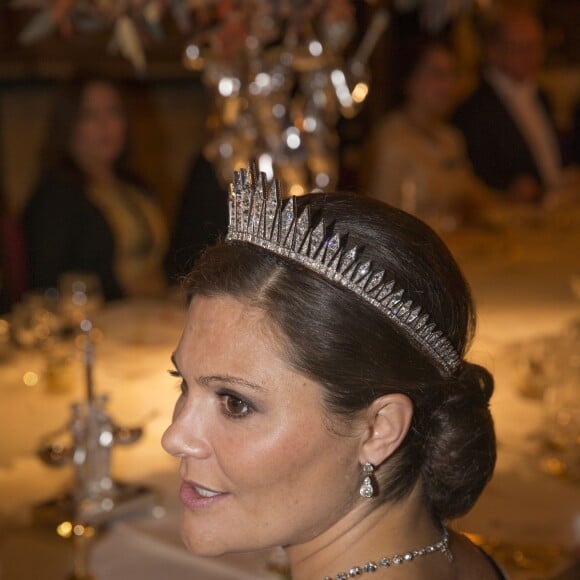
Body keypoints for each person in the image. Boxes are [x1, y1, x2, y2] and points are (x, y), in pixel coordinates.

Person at [162, 165, 504, 580]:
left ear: (378, 429)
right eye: (183, 383)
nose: (175, 437)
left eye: (235, 404)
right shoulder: (444, 552)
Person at [22, 73, 167, 301]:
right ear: (68, 124)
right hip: (99, 326)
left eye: (113, 112)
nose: (105, 125)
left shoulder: (136, 186)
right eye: (89, 115)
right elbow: (46, 286)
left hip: (157, 316)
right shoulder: (55, 197)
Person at [366, 39, 494, 228]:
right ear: (410, 80)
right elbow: (384, 224)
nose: (449, 86)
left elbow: (473, 195)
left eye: (453, 75)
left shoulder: (450, 138)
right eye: (437, 75)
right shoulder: (391, 141)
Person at [453, 9, 562, 203]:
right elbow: (472, 175)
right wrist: (509, 188)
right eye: (522, 48)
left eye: (537, 46)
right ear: (493, 51)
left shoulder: (543, 96)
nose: (532, 56)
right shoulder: (474, 109)